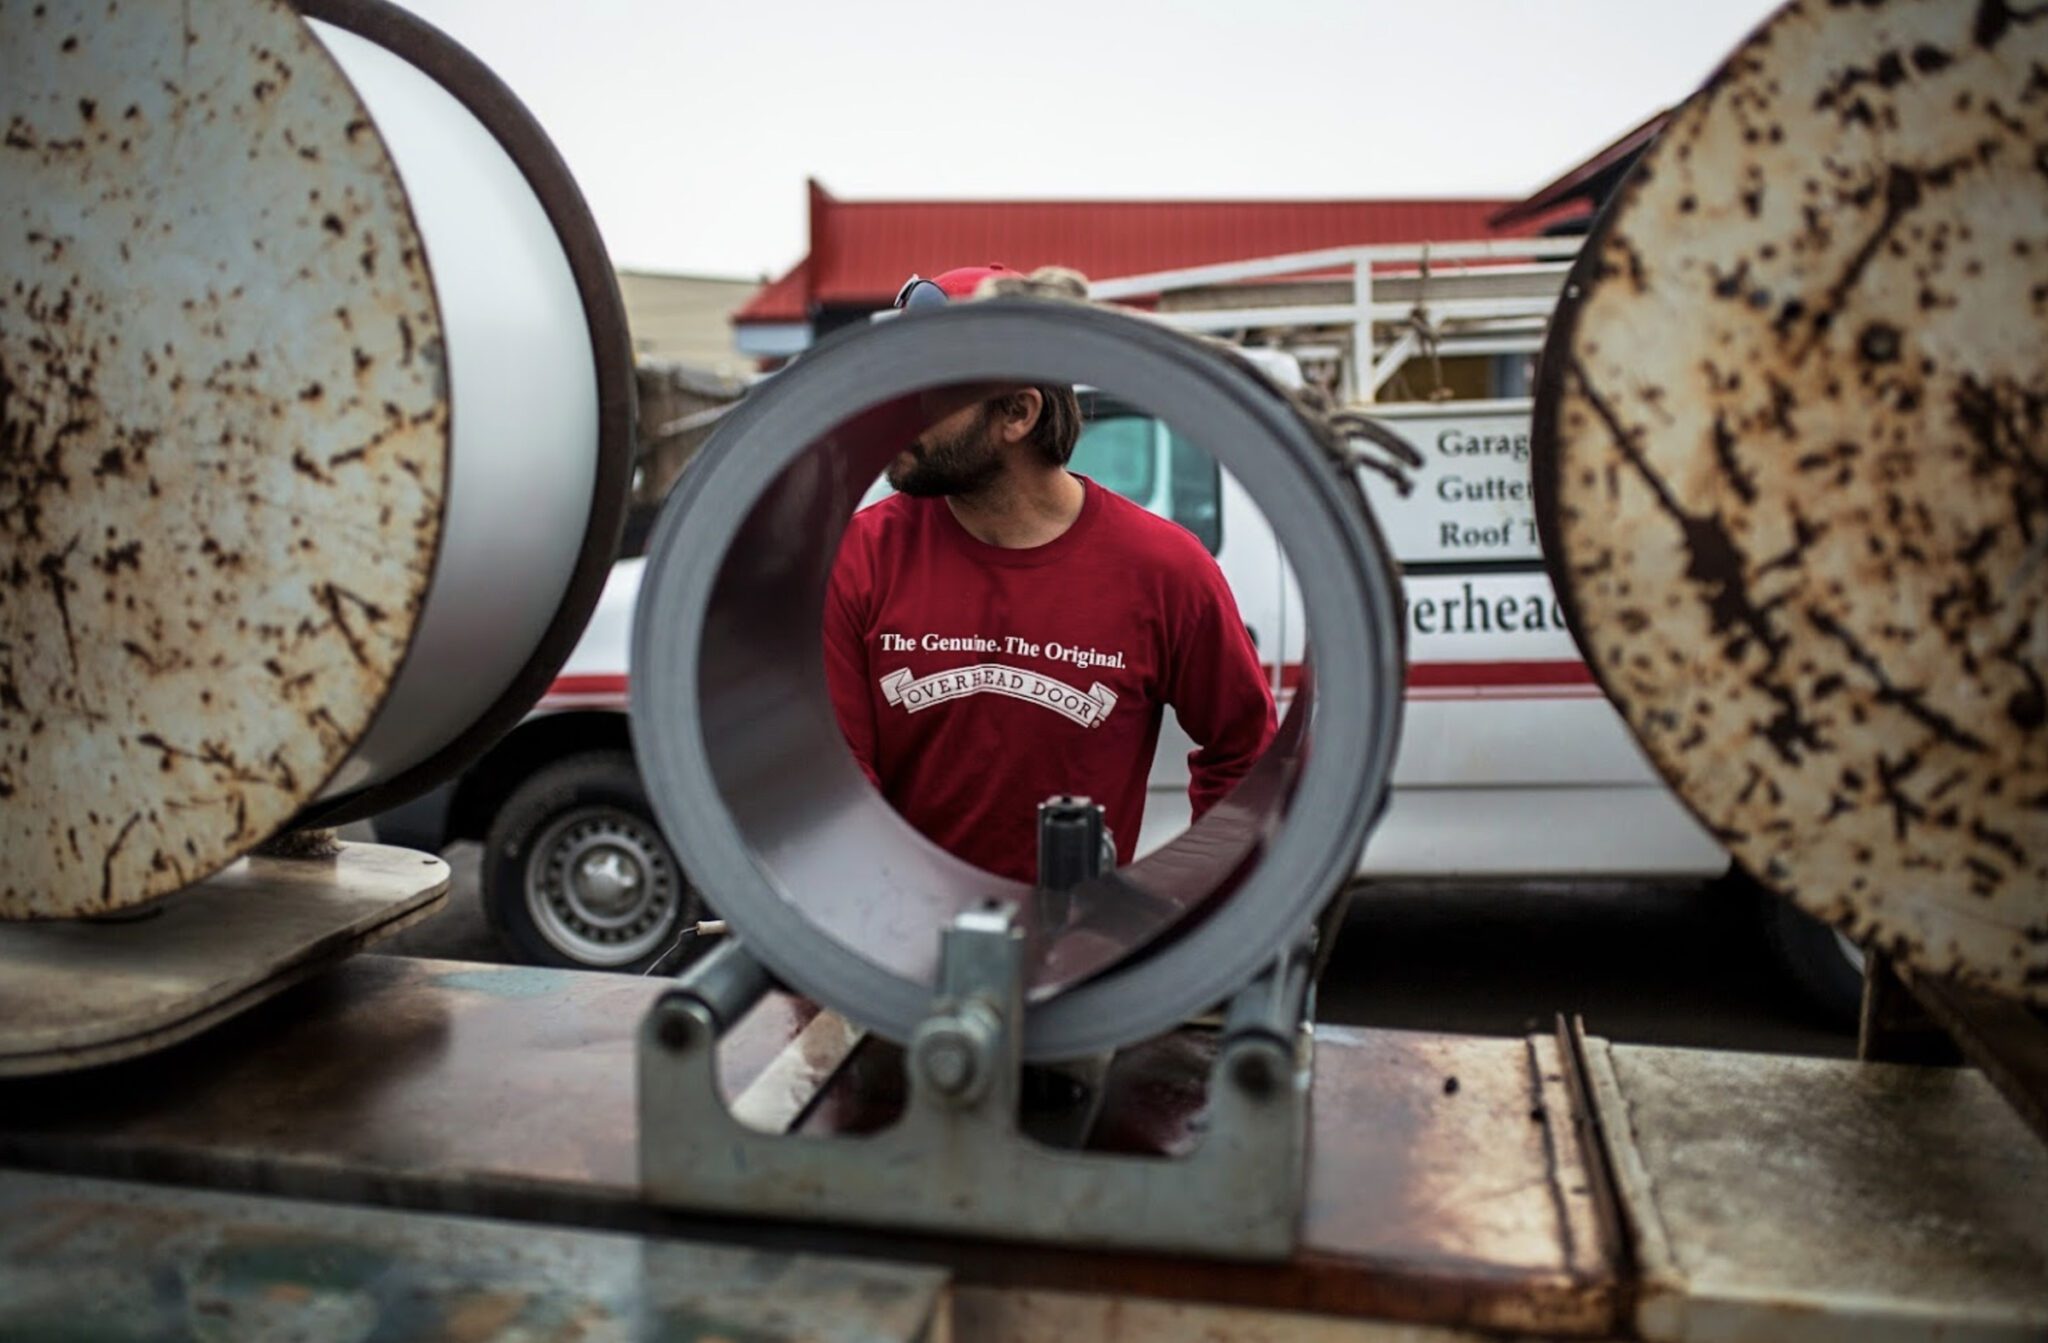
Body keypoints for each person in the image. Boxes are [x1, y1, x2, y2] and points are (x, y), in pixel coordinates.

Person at [822, 264, 1277, 885]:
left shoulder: (1166, 570)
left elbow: (1247, 757)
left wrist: (1188, 905)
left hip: (1082, 956)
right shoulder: (856, 559)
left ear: (1016, 412)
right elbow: (839, 790)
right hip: (899, 947)